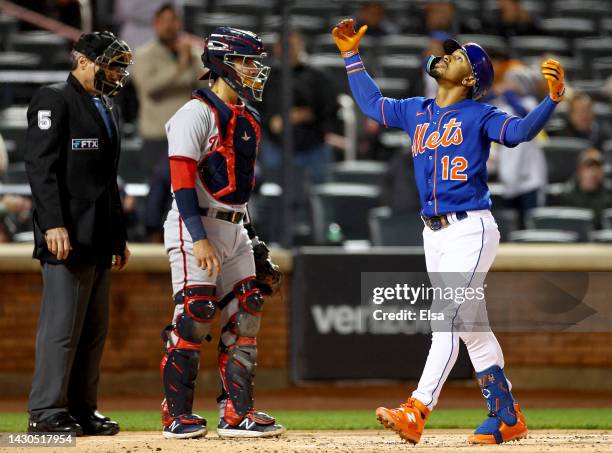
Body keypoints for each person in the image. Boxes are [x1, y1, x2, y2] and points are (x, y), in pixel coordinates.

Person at [332, 19, 565, 444]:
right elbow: (372, 104)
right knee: (472, 328)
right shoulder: (417, 109)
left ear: (471, 77)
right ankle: (507, 415)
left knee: (447, 321)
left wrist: (551, 100)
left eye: (458, 56)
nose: (447, 55)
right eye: (449, 52)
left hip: (470, 229)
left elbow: (519, 132)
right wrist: (351, 56)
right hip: (433, 234)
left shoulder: (480, 113)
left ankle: (417, 408)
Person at [159, 26, 284, 439]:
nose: (254, 70)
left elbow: (238, 189)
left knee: (247, 312)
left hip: (234, 225)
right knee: (195, 315)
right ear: (222, 64)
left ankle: (237, 414)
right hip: (194, 221)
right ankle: (176, 414)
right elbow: (180, 182)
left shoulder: (248, 118)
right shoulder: (193, 114)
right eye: (247, 62)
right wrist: (198, 237)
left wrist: (254, 240)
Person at [25, 31, 132, 436]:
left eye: (120, 66)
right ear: (82, 60)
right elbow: (40, 166)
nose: (117, 73)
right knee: (60, 329)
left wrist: (118, 236)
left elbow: (109, 181)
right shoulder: (54, 99)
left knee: (92, 331)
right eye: (110, 64)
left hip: (100, 235)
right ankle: (46, 411)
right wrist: (53, 223)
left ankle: (82, 409)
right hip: (66, 234)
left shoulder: (108, 106)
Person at [131, 2, 204, 240]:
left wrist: (188, 62)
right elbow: (150, 87)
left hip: (186, 134)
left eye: (173, 20)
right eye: (164, 21)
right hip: (156, 134)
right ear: (155, 24)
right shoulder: (144, 54)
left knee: (184, 189)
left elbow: (206, 85)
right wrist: (181, 68)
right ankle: (152, 234)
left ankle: (184, 236)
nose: (169, 26)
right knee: (157, 191)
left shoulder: (192, 53)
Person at [259, 31, 338, 184]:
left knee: (317, 197)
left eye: (292, 45)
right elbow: (256, 109)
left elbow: (330, 109)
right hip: (276, 147)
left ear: (301, 46)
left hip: (313, 147)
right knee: (273, 195)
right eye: (283, 46)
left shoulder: (318, 75)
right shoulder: (265, 77)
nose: (287, 50)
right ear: (276, 48)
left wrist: (304, 116)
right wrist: (271, 122)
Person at [560, 148, 612, 229]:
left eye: (597, 167)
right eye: (588, 167)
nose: (593, 172)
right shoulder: (568, 193)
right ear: (579, 171)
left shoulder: (609, 192)